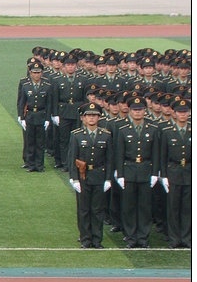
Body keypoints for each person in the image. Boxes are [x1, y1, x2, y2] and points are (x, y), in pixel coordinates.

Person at [114, 95, 160, 249]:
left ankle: (143, 237)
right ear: (130, 111)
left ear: (145, 111)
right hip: (129, 169)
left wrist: (155, 173)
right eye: (135, 110)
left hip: (146, 170)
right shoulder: (123, 129)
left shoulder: (153, 129)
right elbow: (119, 154)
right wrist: (119, 174)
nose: (138, 113)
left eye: (140, 110)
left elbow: (156, 153)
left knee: (145, 206)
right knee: (129, 206)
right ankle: (131, 236)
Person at [67, 103, 114, 249]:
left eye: (95, 115)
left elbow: (109, 159)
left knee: (97, 210)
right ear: (83, 118)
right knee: (84, 209)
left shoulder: (105, 135)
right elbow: (72, 158)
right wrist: (74, 178)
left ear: (99, 117)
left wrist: (108, 178)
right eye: (89, 115)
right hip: (83, 177)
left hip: (99, 176)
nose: (92, 118)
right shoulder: (76, 135)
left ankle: (97, 239)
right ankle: (85, 239)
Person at [159, 97, 191, 248]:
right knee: (173, 208)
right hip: (173, 171)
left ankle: (187, 238)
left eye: (185, 112)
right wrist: (163, 175)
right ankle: (174, 238)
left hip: (190, 172)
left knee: (188, 208)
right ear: (174, 113)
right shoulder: (167, 132)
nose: (183, 115)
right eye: (180, 112)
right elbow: (163, 155)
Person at [18, 61, 52, 172]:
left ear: (42, 73)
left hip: (41, 115)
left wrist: (47, 119)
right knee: (30, 142)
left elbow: (48, 104)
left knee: (40, 143)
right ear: (30, 73)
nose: (36, 75)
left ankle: (39, 165)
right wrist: (21, 117)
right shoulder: (26, 86)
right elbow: (22, 102)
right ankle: (31, 164)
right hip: (30, 115)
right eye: (34, 72)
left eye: (38, 72)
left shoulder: (47, 86)